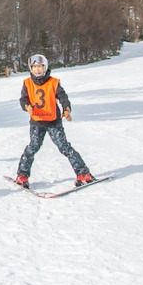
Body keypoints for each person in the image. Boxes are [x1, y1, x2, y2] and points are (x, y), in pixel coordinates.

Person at [14, 54, 93, 189]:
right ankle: (22, 175)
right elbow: (23, 99)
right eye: (34, 67)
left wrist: (66, 109)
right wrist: (27, 106)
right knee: (32, 147)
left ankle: (83, 173)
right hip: (37, 122)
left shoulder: (53, 82)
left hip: (53, 122)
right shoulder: (27, 83)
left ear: (45, 67)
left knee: (64, 147)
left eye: (40, 67)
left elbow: (63, 97)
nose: (37, 70)